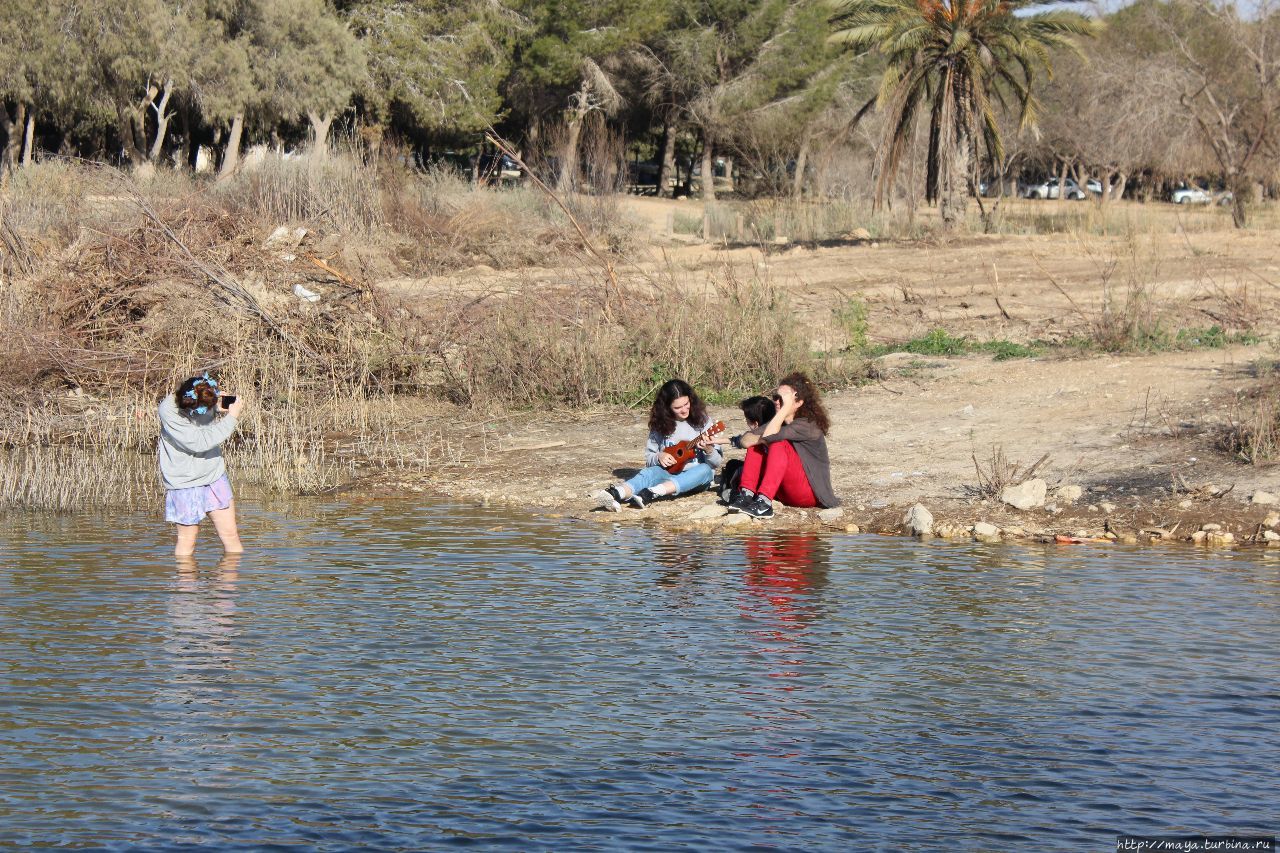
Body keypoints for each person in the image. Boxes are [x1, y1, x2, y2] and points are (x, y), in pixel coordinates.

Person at [593, 378, 723, 511]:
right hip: (668, 474)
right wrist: (659, 456)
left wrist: (709, 449)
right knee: (649, 473)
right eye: (677, 407)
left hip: (696, 479)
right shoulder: (660, 424)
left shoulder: (704, 422)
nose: (684, 410)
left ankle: (653, 492)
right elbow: (650, 459)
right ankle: (615, 493)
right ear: (667, 407)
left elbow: (716, 463)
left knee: (705, 470)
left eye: (686, 404)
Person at [729, 371, 839, 519]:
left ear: (799, 402)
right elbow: (745, 441)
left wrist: (785, 409)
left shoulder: (808, 425)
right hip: (784, 492)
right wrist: (760, 439)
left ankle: (764, 503)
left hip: (809, 494)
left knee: (776, 442)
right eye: (775, 397)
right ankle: (746, 495)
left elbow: (770, 436)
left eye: (782, 398)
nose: (776, 401)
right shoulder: (777, 424)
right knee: (759, 443)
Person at [158, 372, 245, 556]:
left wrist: (218, 407)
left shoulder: (207, 398)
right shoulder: (168, 410)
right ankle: (187, 582)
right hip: (184, 483)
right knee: (187, 541)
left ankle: (230, 583)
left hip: (213, 475)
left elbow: (207, 419)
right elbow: (199, 442)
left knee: (231, 535)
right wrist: (232, 418)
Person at [718, 395, 777, 503]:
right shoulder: (777, 429)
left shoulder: (757, 440)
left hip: (767, 478)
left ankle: (741, 492)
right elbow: (739, 440)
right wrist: (717, 440)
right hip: (771, 477)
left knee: (733, 466)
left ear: (755, 424)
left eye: (747, 420)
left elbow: (744, 441)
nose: (746, 423)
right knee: (734, 464)